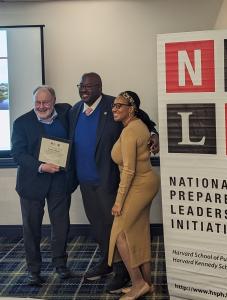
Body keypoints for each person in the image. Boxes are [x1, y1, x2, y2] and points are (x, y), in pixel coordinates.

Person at [68, 72, 159, 293]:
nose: (84, 89)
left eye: (89, 86)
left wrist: (153, 134)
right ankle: (107, 262)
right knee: (98, 225)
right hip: (85, 180)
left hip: (109, 180)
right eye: (81, 85)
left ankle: (122, 271)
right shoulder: (74, 110)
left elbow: (142, 118)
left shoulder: (115, 105)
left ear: (99, 86)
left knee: (117, 228)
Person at [11, 86, 72, 286]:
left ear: (54, 100)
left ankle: (61, 265)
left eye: (46, 102)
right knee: (32, 229)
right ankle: (34, 270)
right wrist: (41, 166)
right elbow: (18, 155)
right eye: (37, 102)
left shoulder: (66, 112)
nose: (41, 106)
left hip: (60, 182)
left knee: (61, 227)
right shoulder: (21, 123)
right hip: (32, 183)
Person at [108, 91, 159, 300]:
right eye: (113, 105)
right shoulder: (138, 125)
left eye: (119, 106)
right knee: (137, 233)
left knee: (120, 235)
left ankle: (138, 284)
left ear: (131, 109)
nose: (114, 109)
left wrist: (118, 202)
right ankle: (148, 282)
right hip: (145, 183)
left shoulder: (131, 131)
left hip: (139, 185)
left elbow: (128, 170)